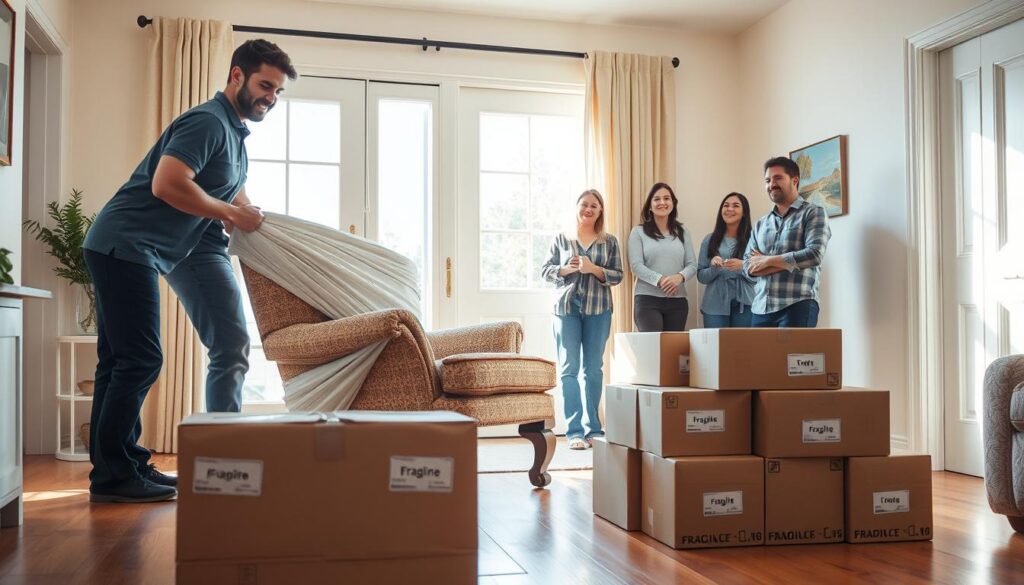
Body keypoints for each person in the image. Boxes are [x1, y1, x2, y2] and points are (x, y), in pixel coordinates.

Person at [82, 40, 297, 503]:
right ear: (237, 75)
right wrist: (233, 214)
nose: (270, 98)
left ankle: (122, 465)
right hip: (127, 244)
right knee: (138, 360)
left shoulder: (234, 133)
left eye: (277, 92)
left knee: (119, 362)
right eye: (265, 86)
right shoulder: (207, 121)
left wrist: (245, 210)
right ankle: (115, 476)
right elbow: (167, 184)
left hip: (169, 247)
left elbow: (229, 187)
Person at [541, 189, 622, 450]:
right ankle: (574, 431)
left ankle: (593, 429)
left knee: (593, 369)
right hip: (566, 311)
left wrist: (593, 269)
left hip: (599, 310)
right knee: (568, 370)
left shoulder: (609, 241)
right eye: (584, 204)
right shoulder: (561, 238)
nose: (588, 209)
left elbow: (618, 275)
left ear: (600, 212)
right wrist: (566, 269)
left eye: (594, 206)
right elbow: (545, 271)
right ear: (577, 207)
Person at [743, 156, 832, 327]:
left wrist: (766, 260)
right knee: (760, 355)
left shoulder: (813, 213)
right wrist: (789, 263)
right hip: (760, 309)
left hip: (797, 304)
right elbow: (747, 267)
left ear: (795, 180)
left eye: (778, 178)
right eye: (767, 180)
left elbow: (814, 254)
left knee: (793, 355)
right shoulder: (761, 224)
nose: (771, 184)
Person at [626, 182, 697, 332]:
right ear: (650, 206)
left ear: (673, 203)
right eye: (657, 199)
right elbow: (636, 266)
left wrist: (679, 277)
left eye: (667, 198)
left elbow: (692, 265)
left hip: (678, 301)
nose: (662, 202)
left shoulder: (683, 232)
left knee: (674, 353)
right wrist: (661, 280)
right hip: (647, 300)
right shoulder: (638, 232)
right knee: (653, 350)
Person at [697, 192, 756, 327]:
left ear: (744, 212)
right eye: (726, 205)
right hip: (714, 304)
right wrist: (714, 268)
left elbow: (759, 276)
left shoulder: (754, 240)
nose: (729, 209)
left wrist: (743, 266)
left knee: (743, 347)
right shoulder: (709, 240)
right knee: (715, 347)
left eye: (735, 206)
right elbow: (701, 277)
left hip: (746, 304)